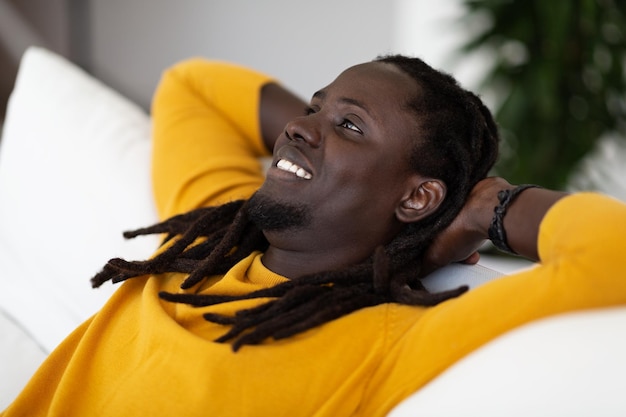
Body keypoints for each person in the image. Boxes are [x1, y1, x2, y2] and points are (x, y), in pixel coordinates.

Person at [3, 54, 626, 417]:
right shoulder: (215, 230)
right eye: (314, 108)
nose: (299, 128)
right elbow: (192, 86)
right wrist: (328, 137)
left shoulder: (389, 338)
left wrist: (484, 208)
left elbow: (611, 254)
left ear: (417, 197)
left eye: (352, 125)